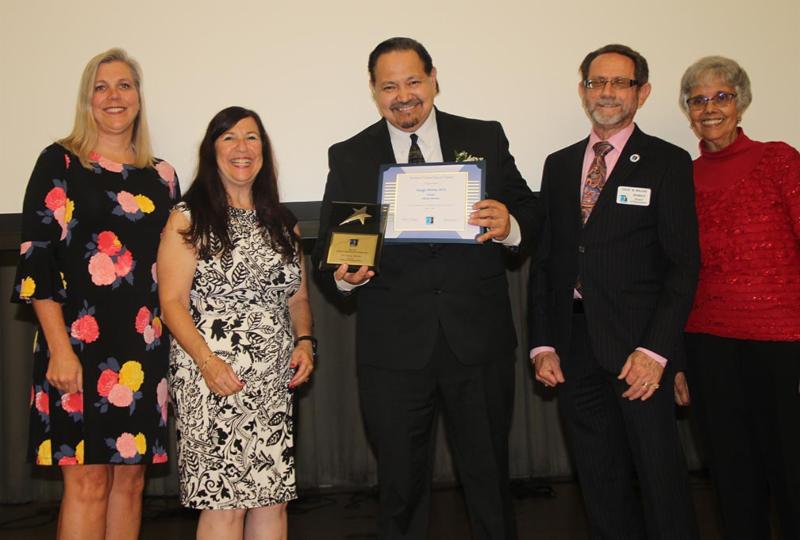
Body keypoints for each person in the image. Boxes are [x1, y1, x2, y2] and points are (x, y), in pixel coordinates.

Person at [312, 37, 539, 540]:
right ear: (374, 91)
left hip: (477, 341)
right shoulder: (350, 155)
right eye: (389, 86)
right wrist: (344, 276)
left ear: (434, 79)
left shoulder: (484, 136)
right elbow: (328, 247)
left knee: (489, 479)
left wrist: (510, 224)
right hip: (393, 348)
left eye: (413, 81)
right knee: (400, 486)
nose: (403, 96)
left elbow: (530, 210)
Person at [528, 44, 700, 539]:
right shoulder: (559, 165)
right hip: (574, 346)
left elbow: (683, 266)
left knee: (660, 477)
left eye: (620, 83)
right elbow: (547, 262)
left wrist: (657, 351)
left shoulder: (668, 162)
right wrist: (543, 344)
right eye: (596, 82)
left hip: (639, 349)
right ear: (583, 90)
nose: (606, 92)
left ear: (642, 93)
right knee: (598, 478)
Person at [11, 48, 179, 539]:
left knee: (130, 483)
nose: (113, 96)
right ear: (87, 100)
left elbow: (175, 266)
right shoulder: (60, 162)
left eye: (124, 85)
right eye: (101, 87)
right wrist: (59, 350)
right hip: (77, 346)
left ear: (139, 97)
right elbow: (37, 259)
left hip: (145, 349)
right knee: (87, 483)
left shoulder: (164, 176)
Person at [158, 106, 313, 540]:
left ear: (264, 149)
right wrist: (208, 362)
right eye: (229, 137)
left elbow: (298, 296)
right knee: (224, 505)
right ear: (212, 151)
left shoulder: (283, 223)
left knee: (272, 501)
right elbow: (171, 303)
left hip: (273, 379)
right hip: (211, 377)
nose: (241, 147)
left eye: (251, 137)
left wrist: (305, 341)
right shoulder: (189, 217)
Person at [679, 56, 800, 539]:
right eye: (698, 100)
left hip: (783, 342)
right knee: (731, 475)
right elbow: (676, 272)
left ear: (741, 102)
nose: (710, 108)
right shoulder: (681, 178)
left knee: (791, 469)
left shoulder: (780, 160)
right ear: (689, 111)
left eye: (721, 97)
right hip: (708, 344)